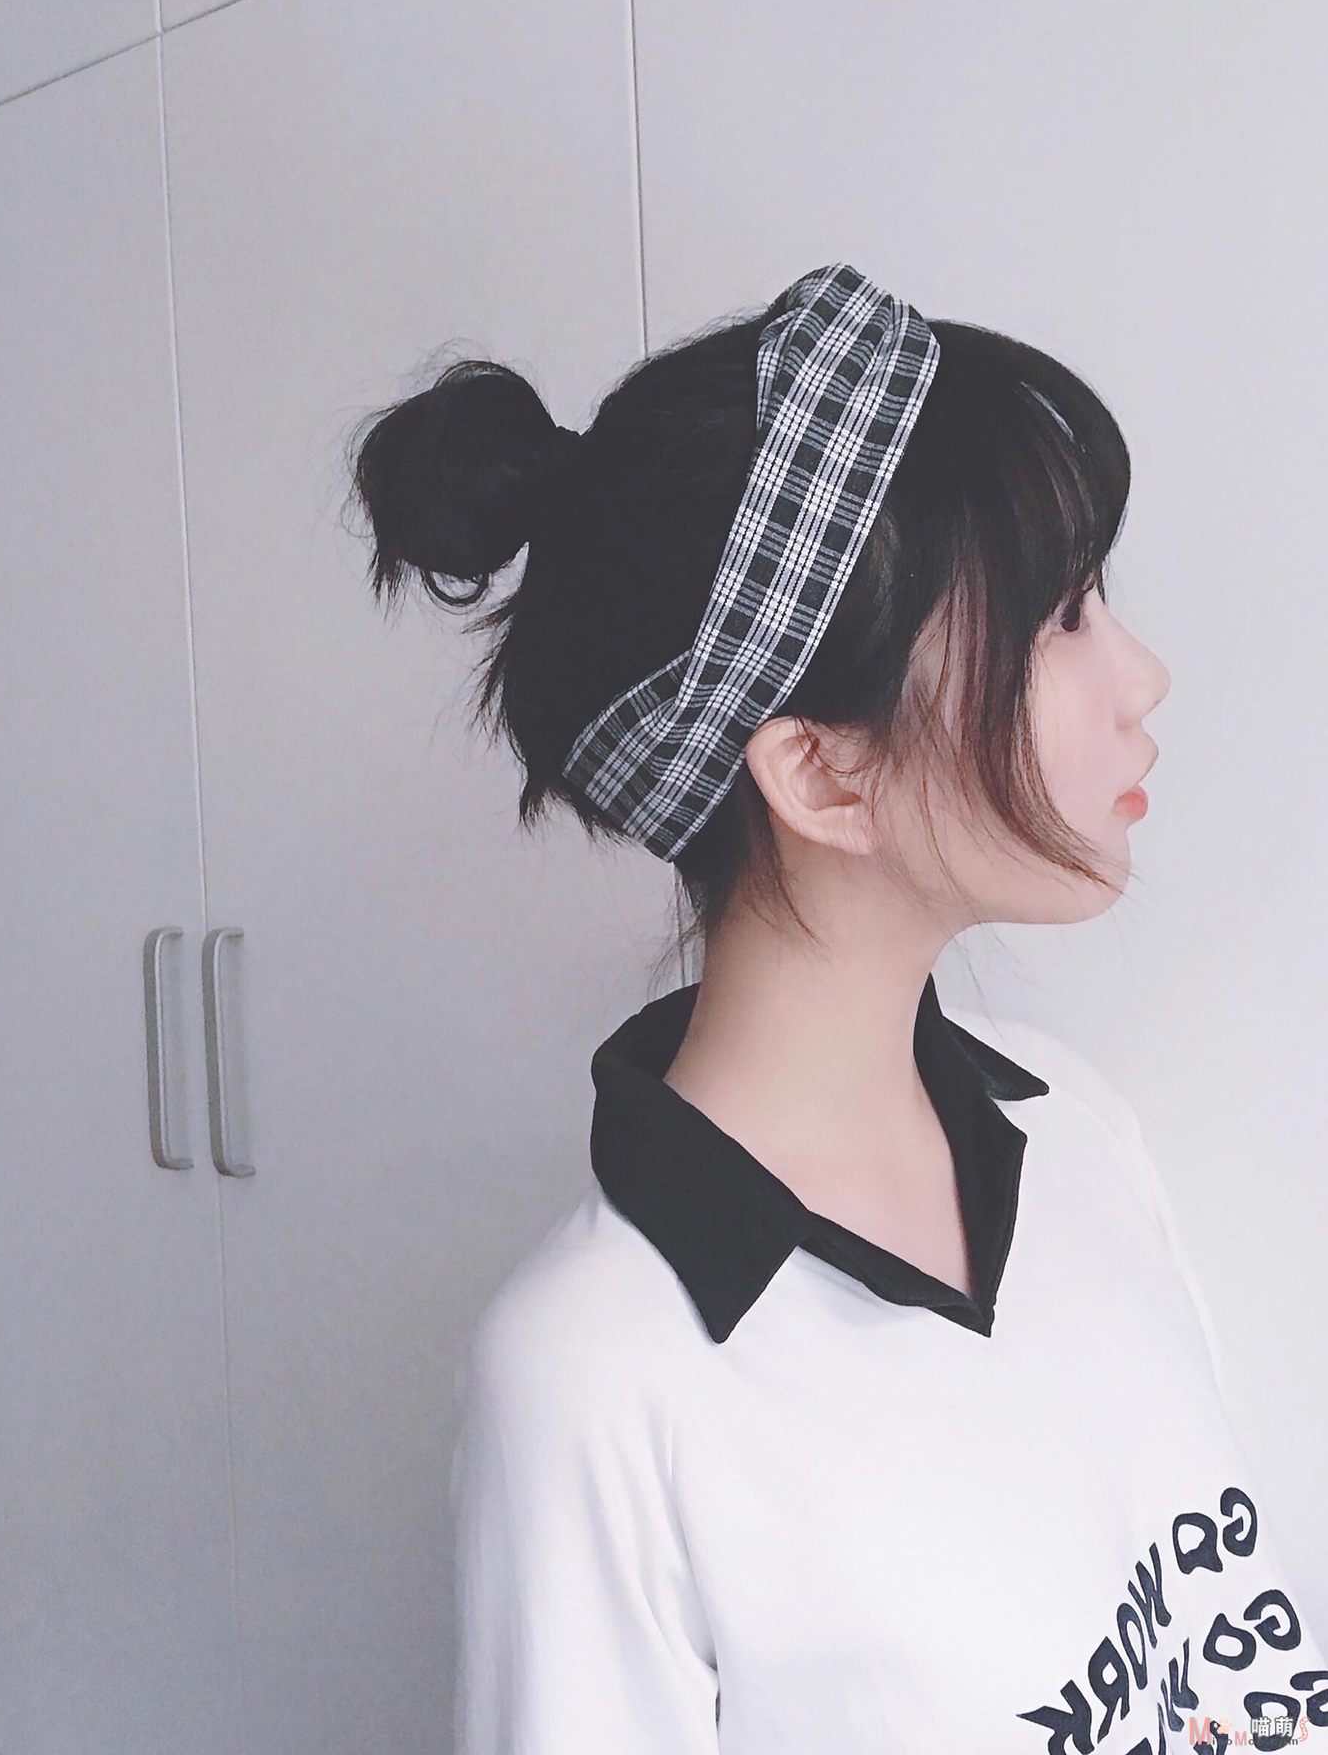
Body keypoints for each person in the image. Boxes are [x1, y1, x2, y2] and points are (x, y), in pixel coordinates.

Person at [344, 262, 1325, 1752]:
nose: (1142, 679)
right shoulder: (598, 1373)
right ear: (821, 772)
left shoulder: (1073, 1126)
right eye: (1060, 620)